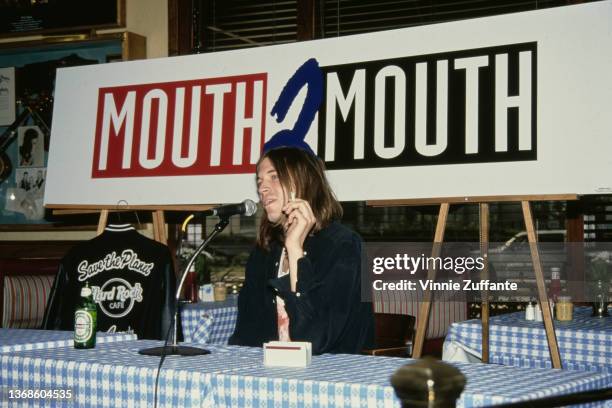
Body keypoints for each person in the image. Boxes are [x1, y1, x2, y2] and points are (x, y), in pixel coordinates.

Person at [228, 146, 374, 354]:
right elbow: (245, 336)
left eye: (274, 177)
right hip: (267, 377)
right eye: (259, 182)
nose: (262, 189)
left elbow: (314, 339)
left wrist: (295, 249)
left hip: (329, 378)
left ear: (303, 182)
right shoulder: (265, 251)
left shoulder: (343, 247)